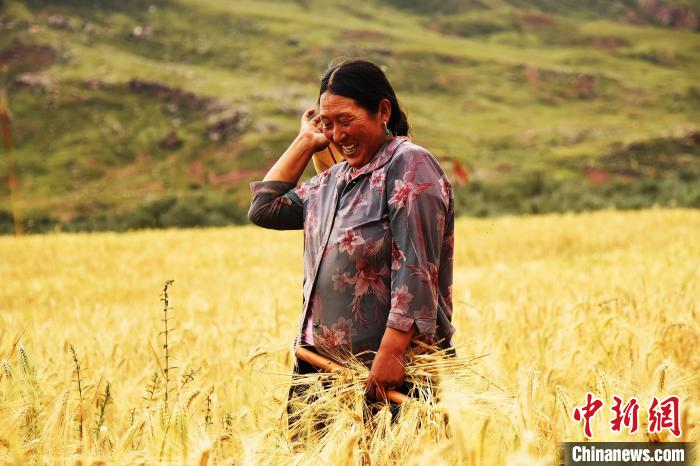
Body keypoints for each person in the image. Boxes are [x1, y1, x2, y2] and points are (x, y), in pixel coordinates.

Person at [247, 58, 455, 405]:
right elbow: (265, 209)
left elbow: (416, 268)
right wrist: (304, 141)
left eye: (345, 120)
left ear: (382, 111)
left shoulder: (409, 165)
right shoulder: (334, 180)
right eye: (327, 123)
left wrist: (392, 354)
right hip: (320, 368)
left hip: (386, 370)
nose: (337, 135)